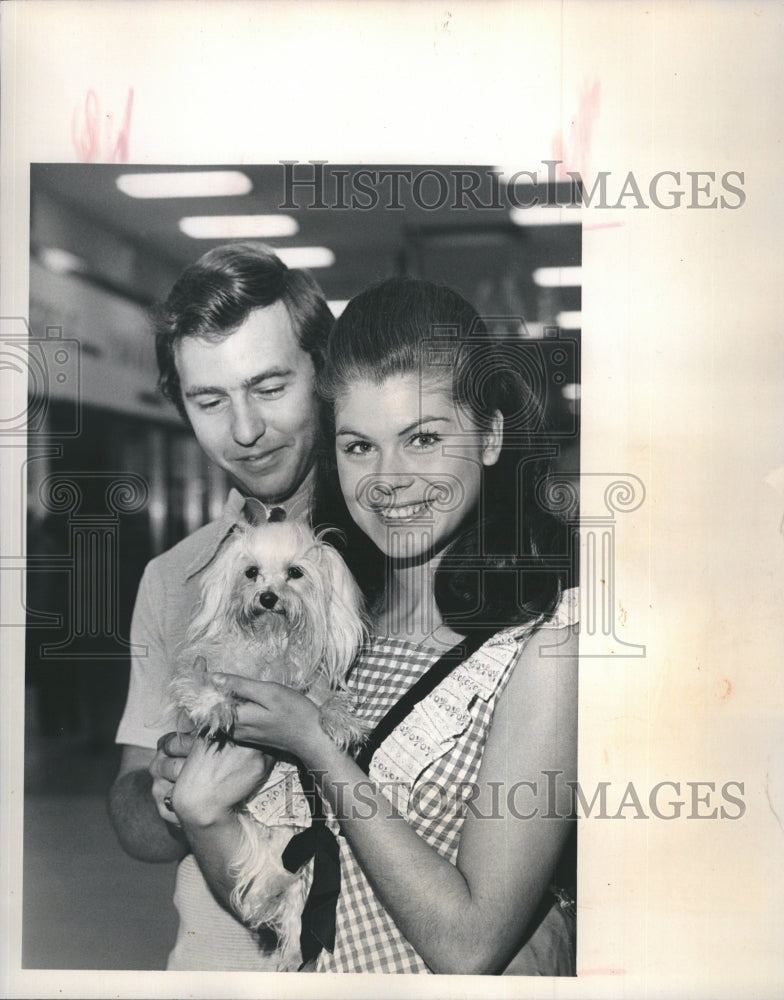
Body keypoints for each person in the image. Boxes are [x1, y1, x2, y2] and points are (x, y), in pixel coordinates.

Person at [169, 276, 579, 975]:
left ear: (489, 437)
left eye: (421, 438)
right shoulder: (332, 630)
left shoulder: (546, 643)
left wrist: (319, 749)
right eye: (358, 446)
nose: (387, 478)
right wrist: (204, 813)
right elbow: (285, 915)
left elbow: (469, 944)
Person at [108, 241, 340, 970]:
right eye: (210, 400)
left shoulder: (403, 557)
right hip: (220, 964)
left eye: (269, 387)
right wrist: (170, 789)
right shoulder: (174, 577)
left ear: (324, 376)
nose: (243, 431)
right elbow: (135, 820)